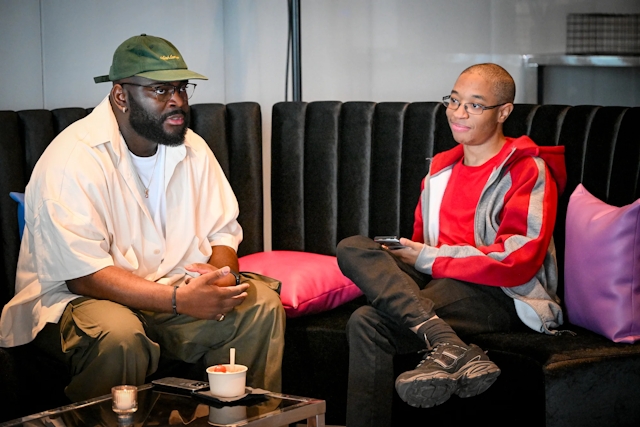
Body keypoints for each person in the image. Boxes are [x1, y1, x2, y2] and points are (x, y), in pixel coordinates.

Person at [0, 34, 285, 402]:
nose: (177, 102)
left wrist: (221, 278)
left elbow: (223, 234)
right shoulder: (73, 159)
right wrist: (178, 301)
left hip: (171, 295)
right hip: (74, 304)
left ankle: (243, 420)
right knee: (120, 335)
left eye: (182, 88)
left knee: (258, 305)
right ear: (121, 95)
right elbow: (83, 275)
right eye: (161, 90)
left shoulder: (193, 149)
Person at [337, 63, 566, 427]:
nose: (458, 113)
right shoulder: (439, 170)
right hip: (442, 282)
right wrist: (411, 255)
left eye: (475, 105)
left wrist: (427, 257)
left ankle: (443, 341)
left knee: (369, 321)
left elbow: (518, 259)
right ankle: (449, 343)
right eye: (454, 101)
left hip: (501, 294)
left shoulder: (527, 169)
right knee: (353, 246)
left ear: (504, 112)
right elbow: (426, 244)